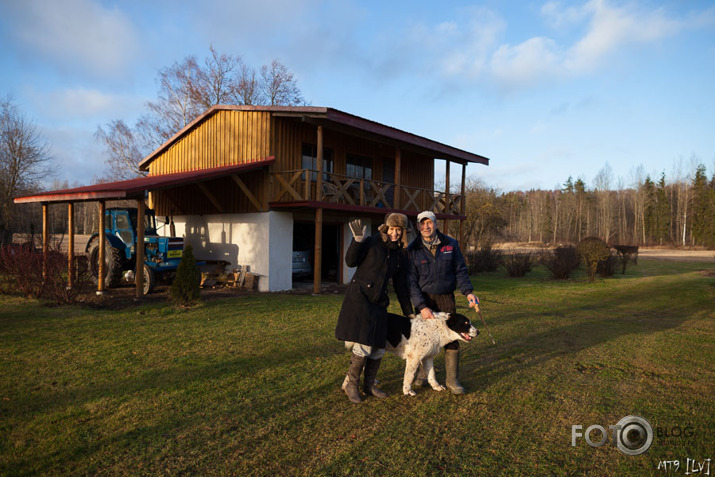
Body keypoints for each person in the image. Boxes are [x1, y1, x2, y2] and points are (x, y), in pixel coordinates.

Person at [335, 213, 414, 403]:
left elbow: (401, 286)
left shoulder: (399, 254)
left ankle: (369, 385)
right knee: (364, 343)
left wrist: (408, 311)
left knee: (379, 345)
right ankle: (351, 385)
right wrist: (357, 241)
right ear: (385, 228)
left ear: (402, 232)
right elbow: (350, 261)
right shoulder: (371, 242)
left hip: (379, 302)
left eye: (398, 230)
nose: (394, 234)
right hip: (360, 299)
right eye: (392, 229)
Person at [407, 210, 478, 394]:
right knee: (423, 340)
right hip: (424, 300)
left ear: (436, 224)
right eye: (422, 224)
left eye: (429, 223)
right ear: (417, 226)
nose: (426, 227)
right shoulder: (413, 249)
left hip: (446, 298)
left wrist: (468, 292)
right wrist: (421, 306)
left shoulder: (450, 244)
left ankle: (452, 381)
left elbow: (460, 271)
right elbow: (411, 282)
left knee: (454, 337)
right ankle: (423, 375)